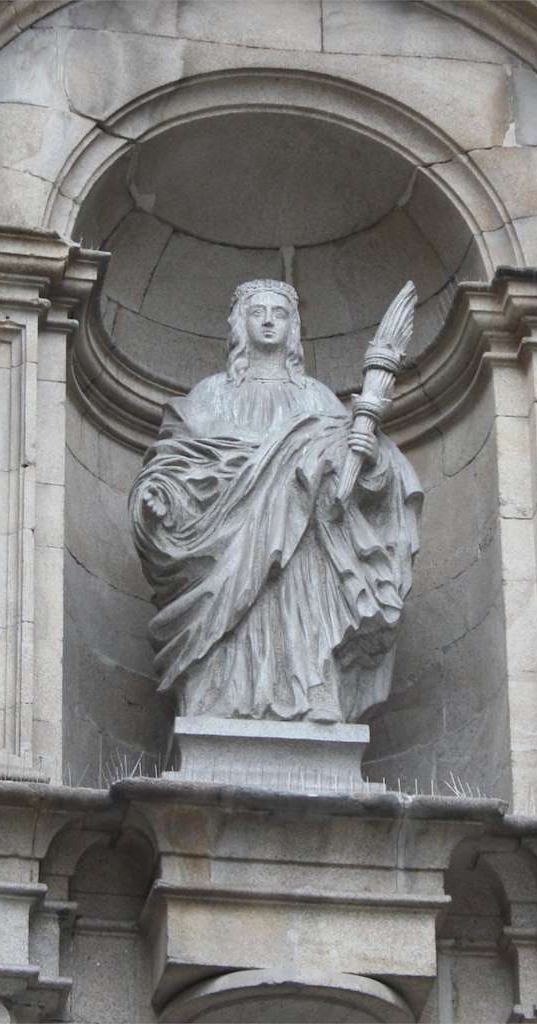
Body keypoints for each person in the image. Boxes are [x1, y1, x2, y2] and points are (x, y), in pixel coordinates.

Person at [129, 280, 422, 723]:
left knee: (302, 617)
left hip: (304, 553)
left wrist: (371, 452)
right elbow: (178, 463)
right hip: (228, 547)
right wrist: (164, 500)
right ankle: (219, 700)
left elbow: (362, 483)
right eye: (257, 311)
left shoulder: (317, 398)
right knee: (235, 627)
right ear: (239, 325)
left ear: (294, 326)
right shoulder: (211, 395)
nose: (268, 320)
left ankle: (310, 695)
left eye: (280, 312)